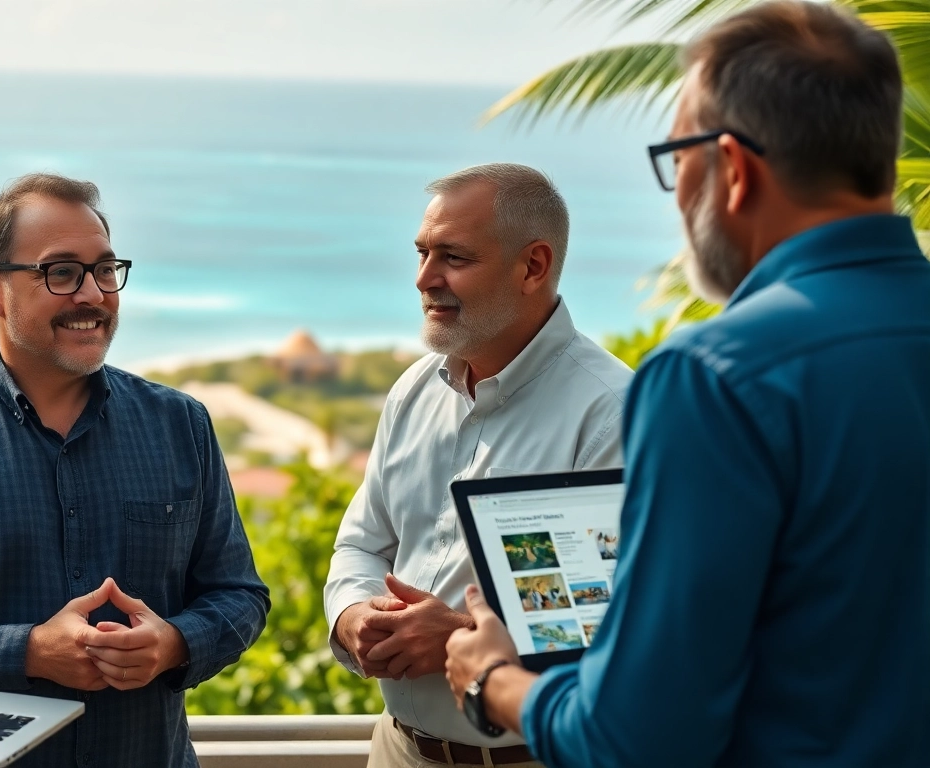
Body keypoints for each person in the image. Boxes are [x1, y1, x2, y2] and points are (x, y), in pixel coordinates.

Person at [444, 4, 930, 766]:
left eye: (679, 158)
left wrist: (494, 681)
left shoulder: (720, 376)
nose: (676, 194)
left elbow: (634, 740)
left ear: (734, 169)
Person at [0, 173, 270, 767]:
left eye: (105, 270)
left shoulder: (181, 424)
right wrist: (28, 651)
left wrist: (174, 643)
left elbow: (239, 595)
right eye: (62, 272)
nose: (93, 294)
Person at [324, 163, 633, 767]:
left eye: (454, 257)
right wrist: (354, 615)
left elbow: (619, 625)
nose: (424, 278)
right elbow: (361, 544)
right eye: (422, 253)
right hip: (395, 749)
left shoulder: (612, 414)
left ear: (533, 266)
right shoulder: (413, 390)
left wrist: (457, 636)